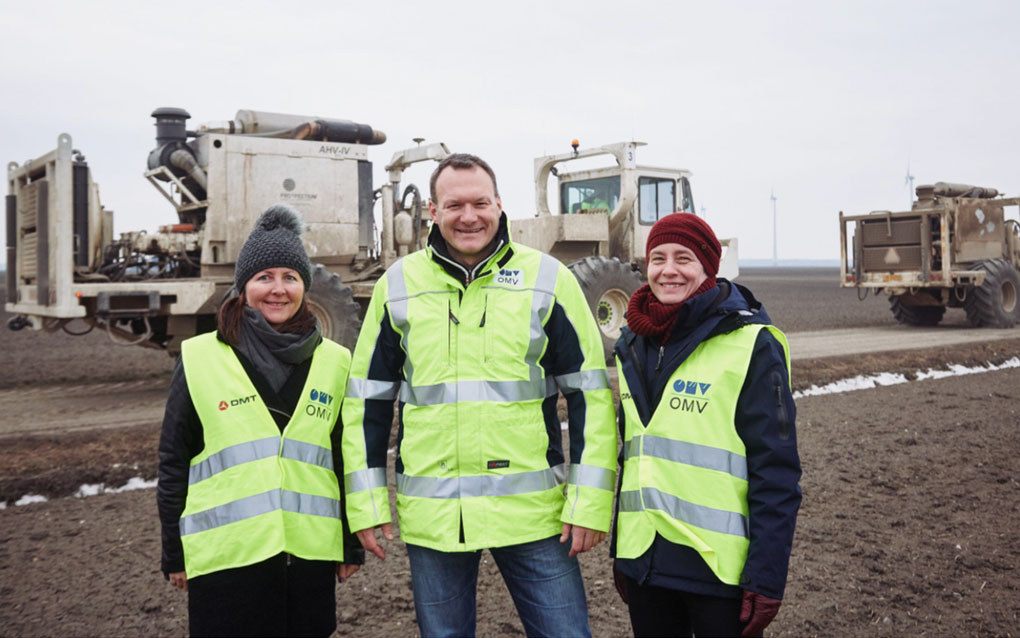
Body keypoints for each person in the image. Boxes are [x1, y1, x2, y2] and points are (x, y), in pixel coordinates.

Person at [341, 153, 617, 637]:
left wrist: (590, 501)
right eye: (454, 205)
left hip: (534, 515)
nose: (468, 216)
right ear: (433, 211)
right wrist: (366, 503)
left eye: (480, 203)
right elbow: (368, 401)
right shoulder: (397, 286)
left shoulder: (548, 279)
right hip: (437, 515)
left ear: (499, 204)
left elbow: (589, 395)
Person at [157, 204, 363, 637]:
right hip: (226, 561)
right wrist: (175, 551)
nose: (278, 289)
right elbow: (174, 461)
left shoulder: (336, 361)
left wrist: (349, 542)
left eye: (290, 277)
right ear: (243, 286)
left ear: (305, 286)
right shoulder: (200, 357)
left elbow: (345, 459)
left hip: (308, 561)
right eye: (264, 277)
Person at [610, 213, 801, 637]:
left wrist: (766, 576)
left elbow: (776, 471)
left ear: (708, 267)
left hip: (718, 572)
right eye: (658, 258)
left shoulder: (752, 343)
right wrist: (622, 551)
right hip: (645, 564)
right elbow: (636, 457)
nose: (669, 270)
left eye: (684, 258)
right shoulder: (632, 343)